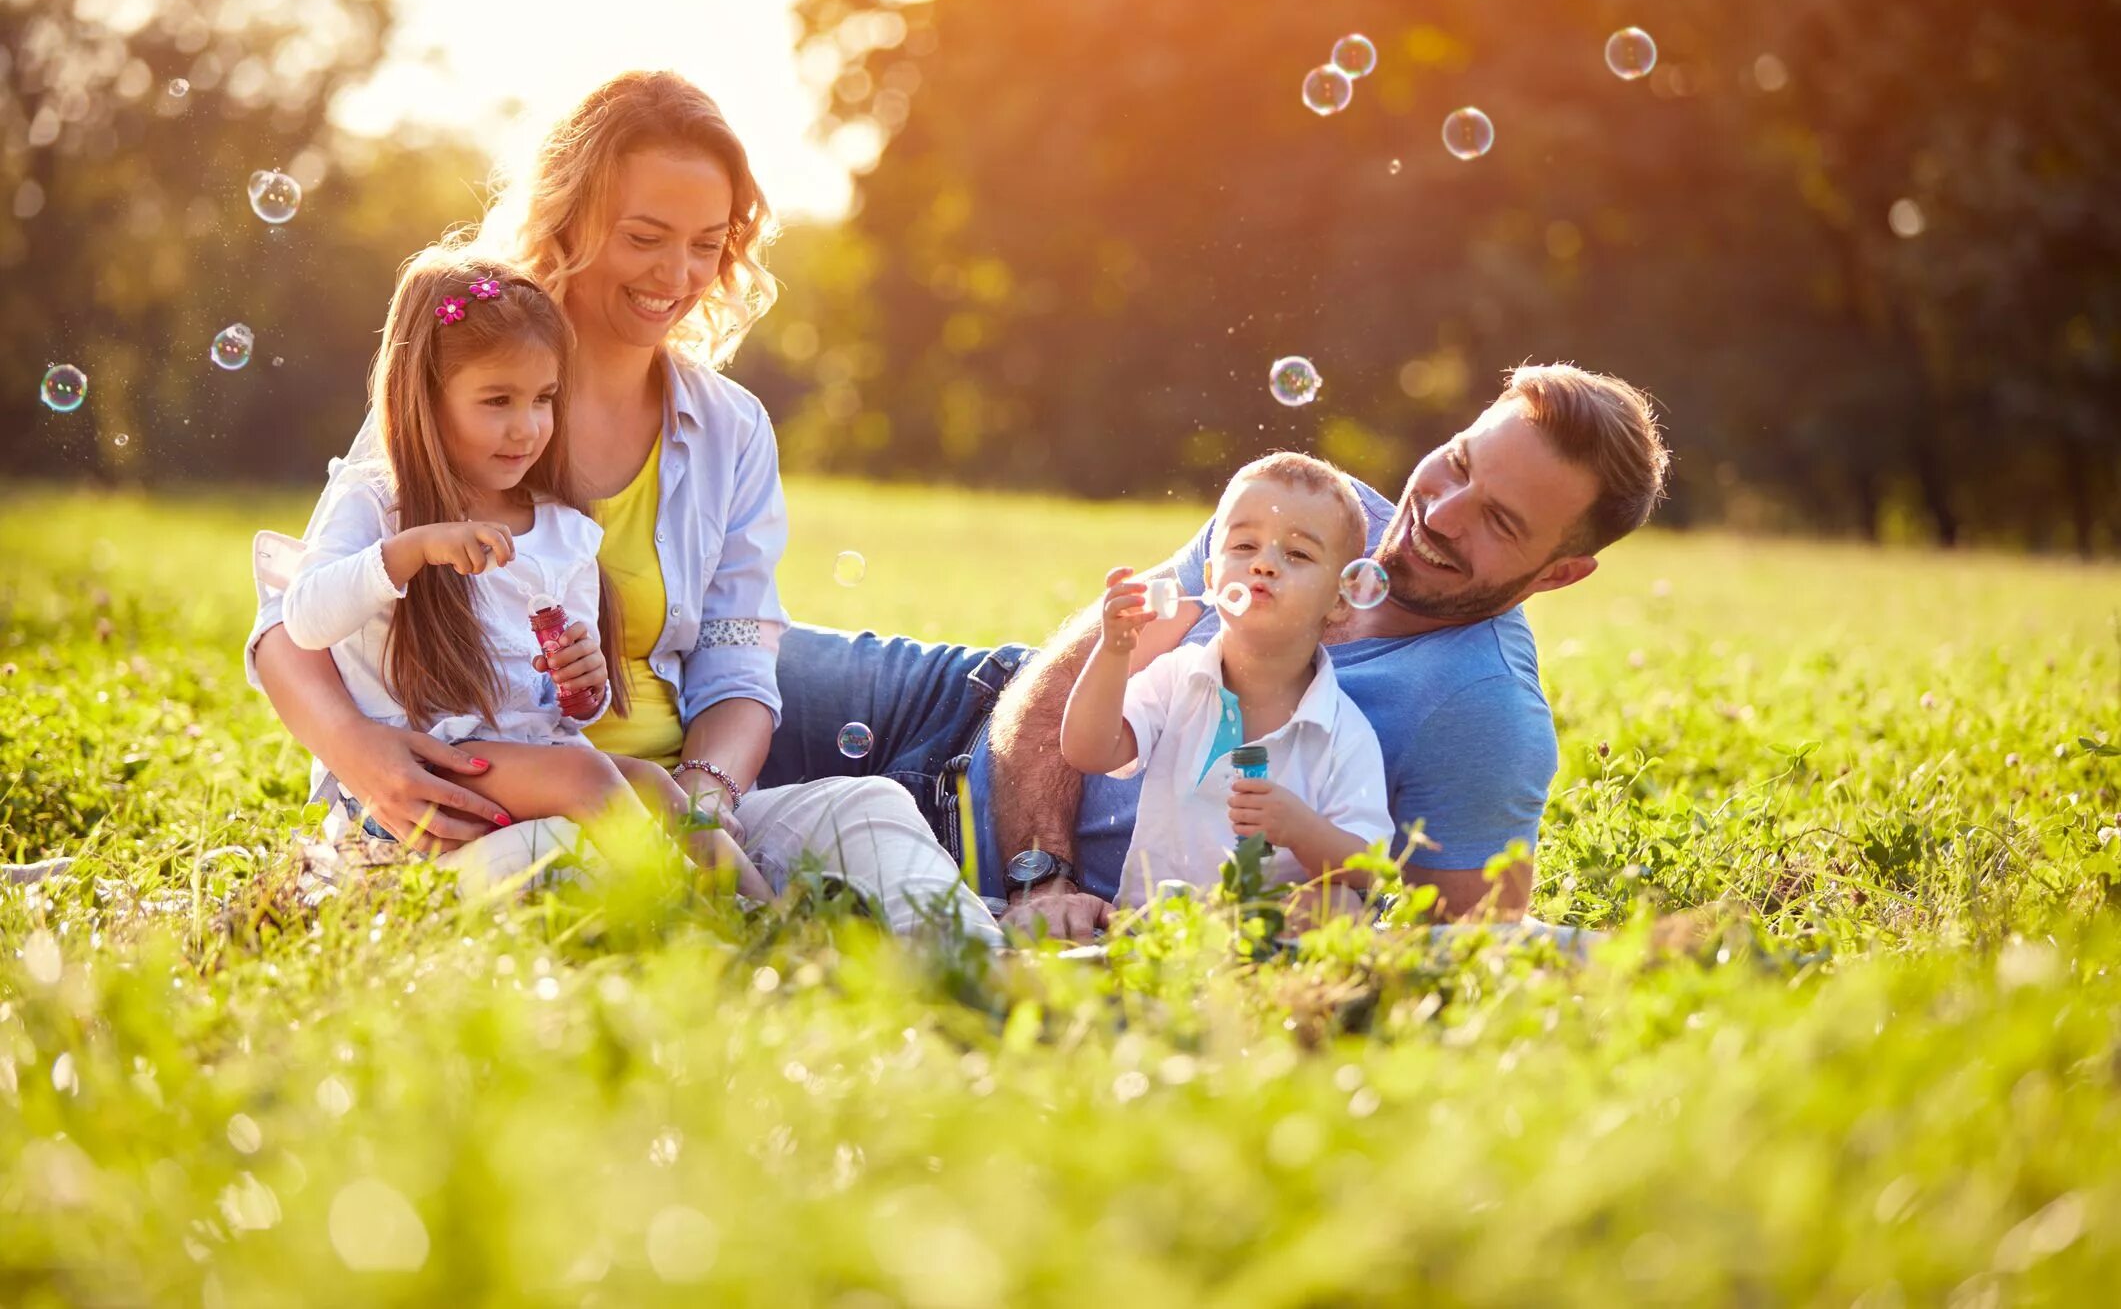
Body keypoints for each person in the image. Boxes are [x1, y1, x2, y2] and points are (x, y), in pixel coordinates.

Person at [247, 70, 1000, 944]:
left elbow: (737, 662)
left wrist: (706, 804)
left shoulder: (728, 428)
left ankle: (977, 979)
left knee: (866, 809)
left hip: (663, 803)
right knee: (578, 864)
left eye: (707, 244)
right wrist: (359, 754)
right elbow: (287, 622)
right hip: (486, 807)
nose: (677, 275)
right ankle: (763, 959)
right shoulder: (467, 385)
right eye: (646, 236)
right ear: (570, 220)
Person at [761, 363, 1671, 940]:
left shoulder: (1485, 717)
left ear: (1558, 575)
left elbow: (1464, 946)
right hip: (959, 704)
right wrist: (1043, 873)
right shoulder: (1317, 506)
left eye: (1500, 522)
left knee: (690, 819)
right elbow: (1080, 663)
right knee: (691, 666)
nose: (1439, 512)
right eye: (1460, 463)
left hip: (993, 872)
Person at [278, 247, 769, 898]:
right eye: (497, 400)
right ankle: (685, 915)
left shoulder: (562, 530)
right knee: (589, 781)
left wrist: (583, 685)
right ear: (424, 395)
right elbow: (304, 620)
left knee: (651, 785)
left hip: (525, 759)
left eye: (543, 399)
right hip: (427, 769)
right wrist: (412, 550)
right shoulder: (376, 502)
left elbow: (570, 712)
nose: (527, 428)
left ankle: (769, 923)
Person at [1060, 453, 1392, 908]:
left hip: (1265, 937)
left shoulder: (1342, 732)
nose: (1264, 564)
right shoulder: (1178, 678)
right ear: (1212, 578)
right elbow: (1086, 749)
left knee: (1339, 905)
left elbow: (1370, 866)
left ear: (1339, 601)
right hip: (1157, 930)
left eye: (1297, 554)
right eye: (1243, 547)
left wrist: (1299, 827)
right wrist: (1113, 653)